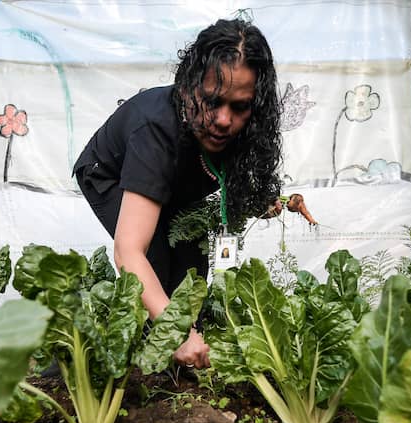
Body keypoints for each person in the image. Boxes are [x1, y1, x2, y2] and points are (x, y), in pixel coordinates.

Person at [74, 18, 282, 369]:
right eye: (212, 101)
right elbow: (128, 251)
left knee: (190, 268)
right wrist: (175, 330)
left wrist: (259, 198)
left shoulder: (243, 127)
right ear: (188, 88)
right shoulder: (155, 131)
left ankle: (186, 363)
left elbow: (228, 173)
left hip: (174, 183)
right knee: (152, 262)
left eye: (239, 106)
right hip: (111, 173)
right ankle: (116, 361)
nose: (223, 120)